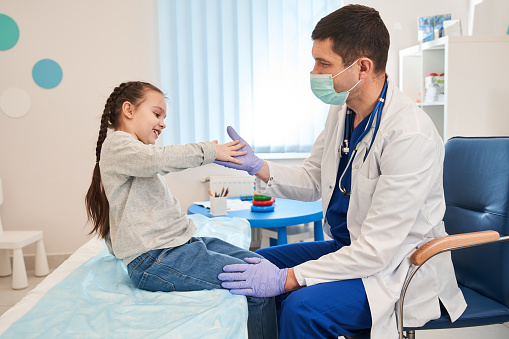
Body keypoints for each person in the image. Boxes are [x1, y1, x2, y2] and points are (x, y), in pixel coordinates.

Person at [215, 5, 467, 339]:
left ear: (363, 67)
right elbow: (314, 180)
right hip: (348, 250)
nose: (314, 72)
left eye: (324, 63)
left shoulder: (409, 135)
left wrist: (288, 278)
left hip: (398, 268)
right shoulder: (342, 110)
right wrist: (260, 167)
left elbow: (377, 251)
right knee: (255, 264)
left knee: (300, 307)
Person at [84, 81, 277, 339]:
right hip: (155, 259)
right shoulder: (119, 144)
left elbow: (122, 211)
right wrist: (210, 151)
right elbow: (160, 159)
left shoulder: (134, 153)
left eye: (164, 117)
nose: (163, 123)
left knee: (263, 267)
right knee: (257, 284)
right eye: (156, 114)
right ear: (128, 110)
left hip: (178, 246)